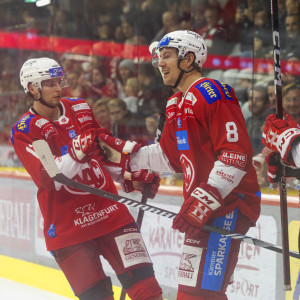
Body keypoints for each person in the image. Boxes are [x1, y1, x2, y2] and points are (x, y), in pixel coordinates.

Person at [98, 30, 261, 300]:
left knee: (197, 295)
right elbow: (170, 157)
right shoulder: (175, 103)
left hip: (229, 204)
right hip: (205, 207)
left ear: (188, 59)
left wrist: (204, 200)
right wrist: (120, 153)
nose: (160, 63)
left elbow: (236, 155)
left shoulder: (213, 92)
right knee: (197, 293)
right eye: (158, 57)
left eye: (167, 56)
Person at [10, 57, 164, 300]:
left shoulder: (80, 107)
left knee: (149, 291)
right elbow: (50, 178)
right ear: (32, 88)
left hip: (112, 216)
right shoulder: (26, 130)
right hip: (69, 231)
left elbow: (101, 152)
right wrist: (76, 152)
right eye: (50, 83)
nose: (59, 88)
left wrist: (127, 178)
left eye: (59, 81)